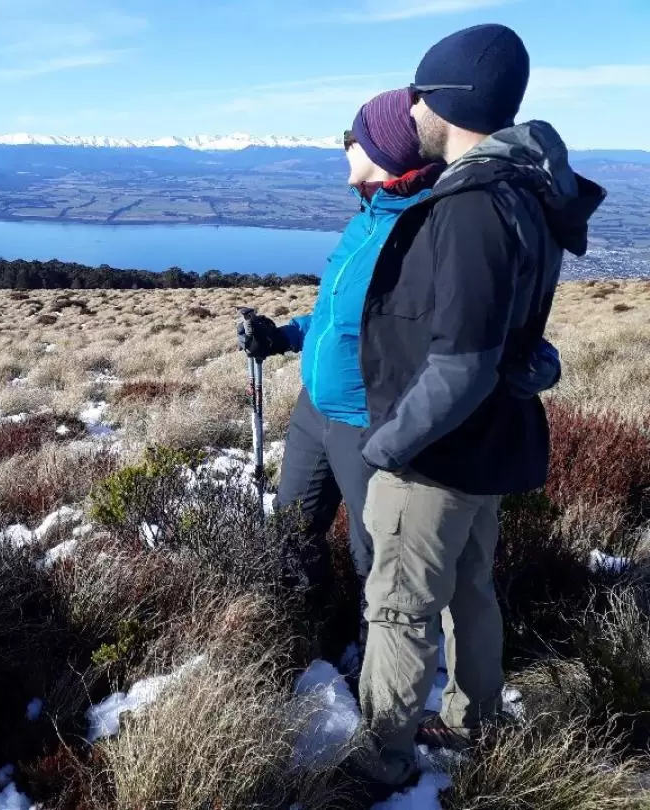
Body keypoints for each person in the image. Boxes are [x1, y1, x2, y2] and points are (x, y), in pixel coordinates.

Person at [345, 23, 606, 800]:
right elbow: (503, 341)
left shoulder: (472, 205)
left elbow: (459, 365)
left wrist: (386, 446)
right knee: (470, 590)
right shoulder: (526, 189)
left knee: (397, 610)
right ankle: (473, 719)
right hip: (487, 444)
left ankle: (380, 758)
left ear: (448, 98)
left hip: (437, 455)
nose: (411, 105)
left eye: (420, 91)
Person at [239, 87, 440, 658]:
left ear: (380, 148)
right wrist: (282, 335)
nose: (343, 147)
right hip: (314, 410)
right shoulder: (367, 219)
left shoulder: (418, 234)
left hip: (368, 423)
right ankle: (310, 636)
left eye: (350, 138)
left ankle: (374, 659)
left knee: (371, 552)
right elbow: (337, 316)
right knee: (293, 530)